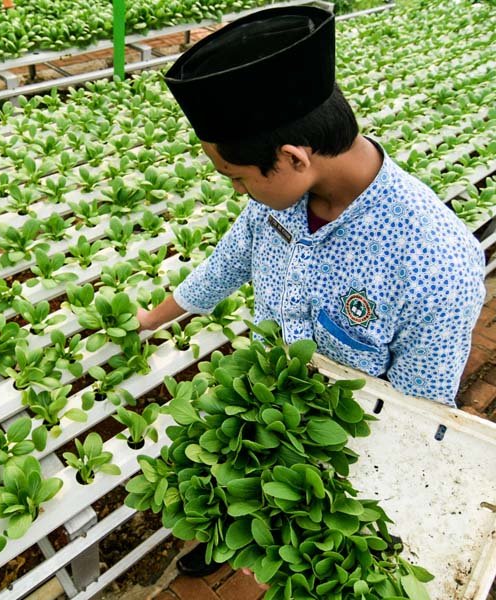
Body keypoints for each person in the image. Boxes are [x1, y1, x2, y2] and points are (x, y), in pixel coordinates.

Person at [136, 3, 486, 578]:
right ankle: (228, 531)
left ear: (293, 158)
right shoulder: (277, 200)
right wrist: (152, 319)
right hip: (264, 391)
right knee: (239, 490)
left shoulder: (436, 263)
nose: (237, 191)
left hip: (338, 434)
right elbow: (229, 262)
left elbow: (415, 412)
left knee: (303, 527)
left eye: (237, 177)